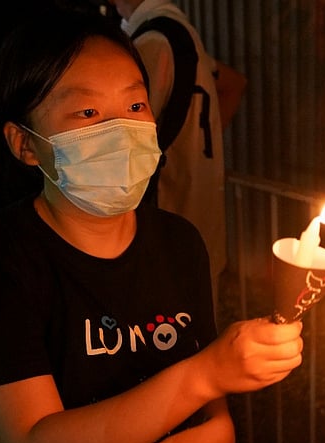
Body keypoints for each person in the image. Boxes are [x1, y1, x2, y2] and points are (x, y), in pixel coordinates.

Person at [0, 8, 302, 443]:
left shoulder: (179, 242)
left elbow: (200, 375)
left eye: (135, 105)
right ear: (25, 144)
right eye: (87, 114)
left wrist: (220, 430)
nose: (121, 132)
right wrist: (208, 374)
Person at [108, 0, 246, 331]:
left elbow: (125, 140)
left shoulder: (152, 43)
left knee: (169, 335)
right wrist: (198, 149)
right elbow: (233, 84)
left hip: (168, 212)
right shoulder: (181, 34)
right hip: (198, 208)